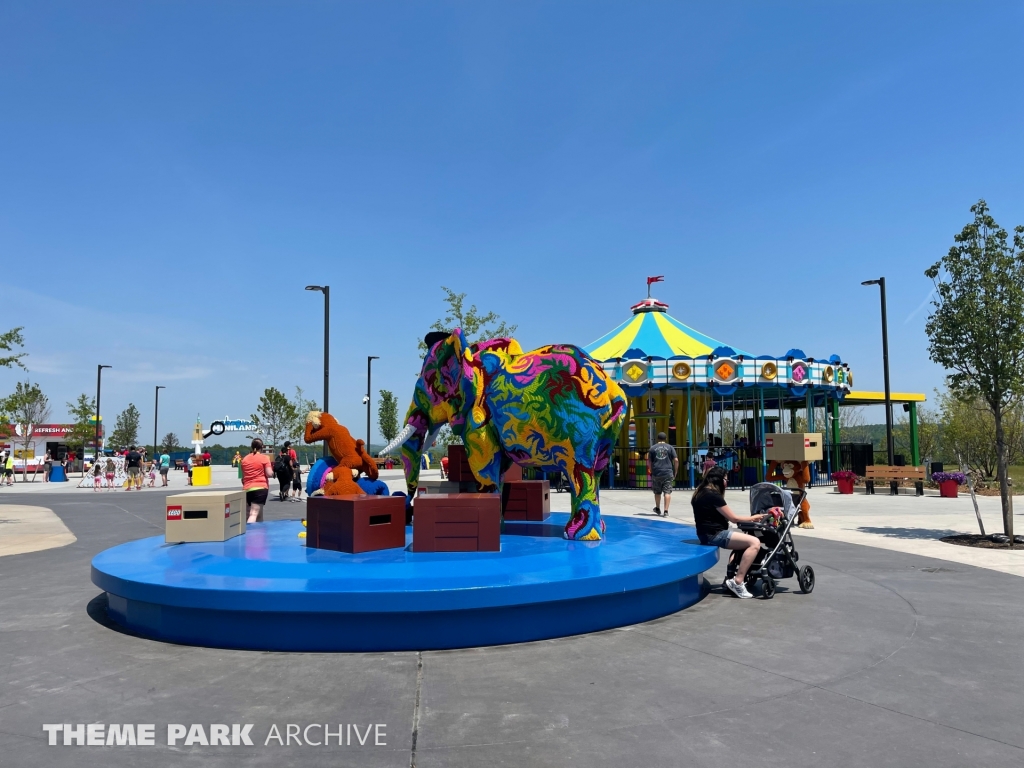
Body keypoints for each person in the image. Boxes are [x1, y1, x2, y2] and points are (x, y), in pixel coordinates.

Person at [690, 466, 767, 599]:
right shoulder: (713, 496)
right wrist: (754, 518)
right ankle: (738, 581)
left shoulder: (700, 492)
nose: (727, 482)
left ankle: (731, 576)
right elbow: (734, 518)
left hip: (704, 534)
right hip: (715, 535)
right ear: (718, 479)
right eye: (725, 479)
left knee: (742, 542)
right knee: (754, 542)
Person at [241, 438, 273, 523]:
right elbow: (269, 473)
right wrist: (273, 473)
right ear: (262, 447)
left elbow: (243, 477)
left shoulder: (245, 459)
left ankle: (259, 533)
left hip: (247, 489)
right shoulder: (264, 458)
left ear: (251, 447)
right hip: (260, 488)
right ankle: (251, 533)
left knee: (255, 514)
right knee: (253, 514)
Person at [647, 432, 678, 517]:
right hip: (668, 472)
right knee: (667, 492)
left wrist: (651, 470)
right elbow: (676, 460)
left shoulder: (652, 448)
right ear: (666, 439)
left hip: (657, 472)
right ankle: (666, 511)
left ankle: (657, 508)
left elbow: (649, 461)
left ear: (657, 439)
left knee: (657, 492)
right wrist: (675, 471)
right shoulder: (670, 447)